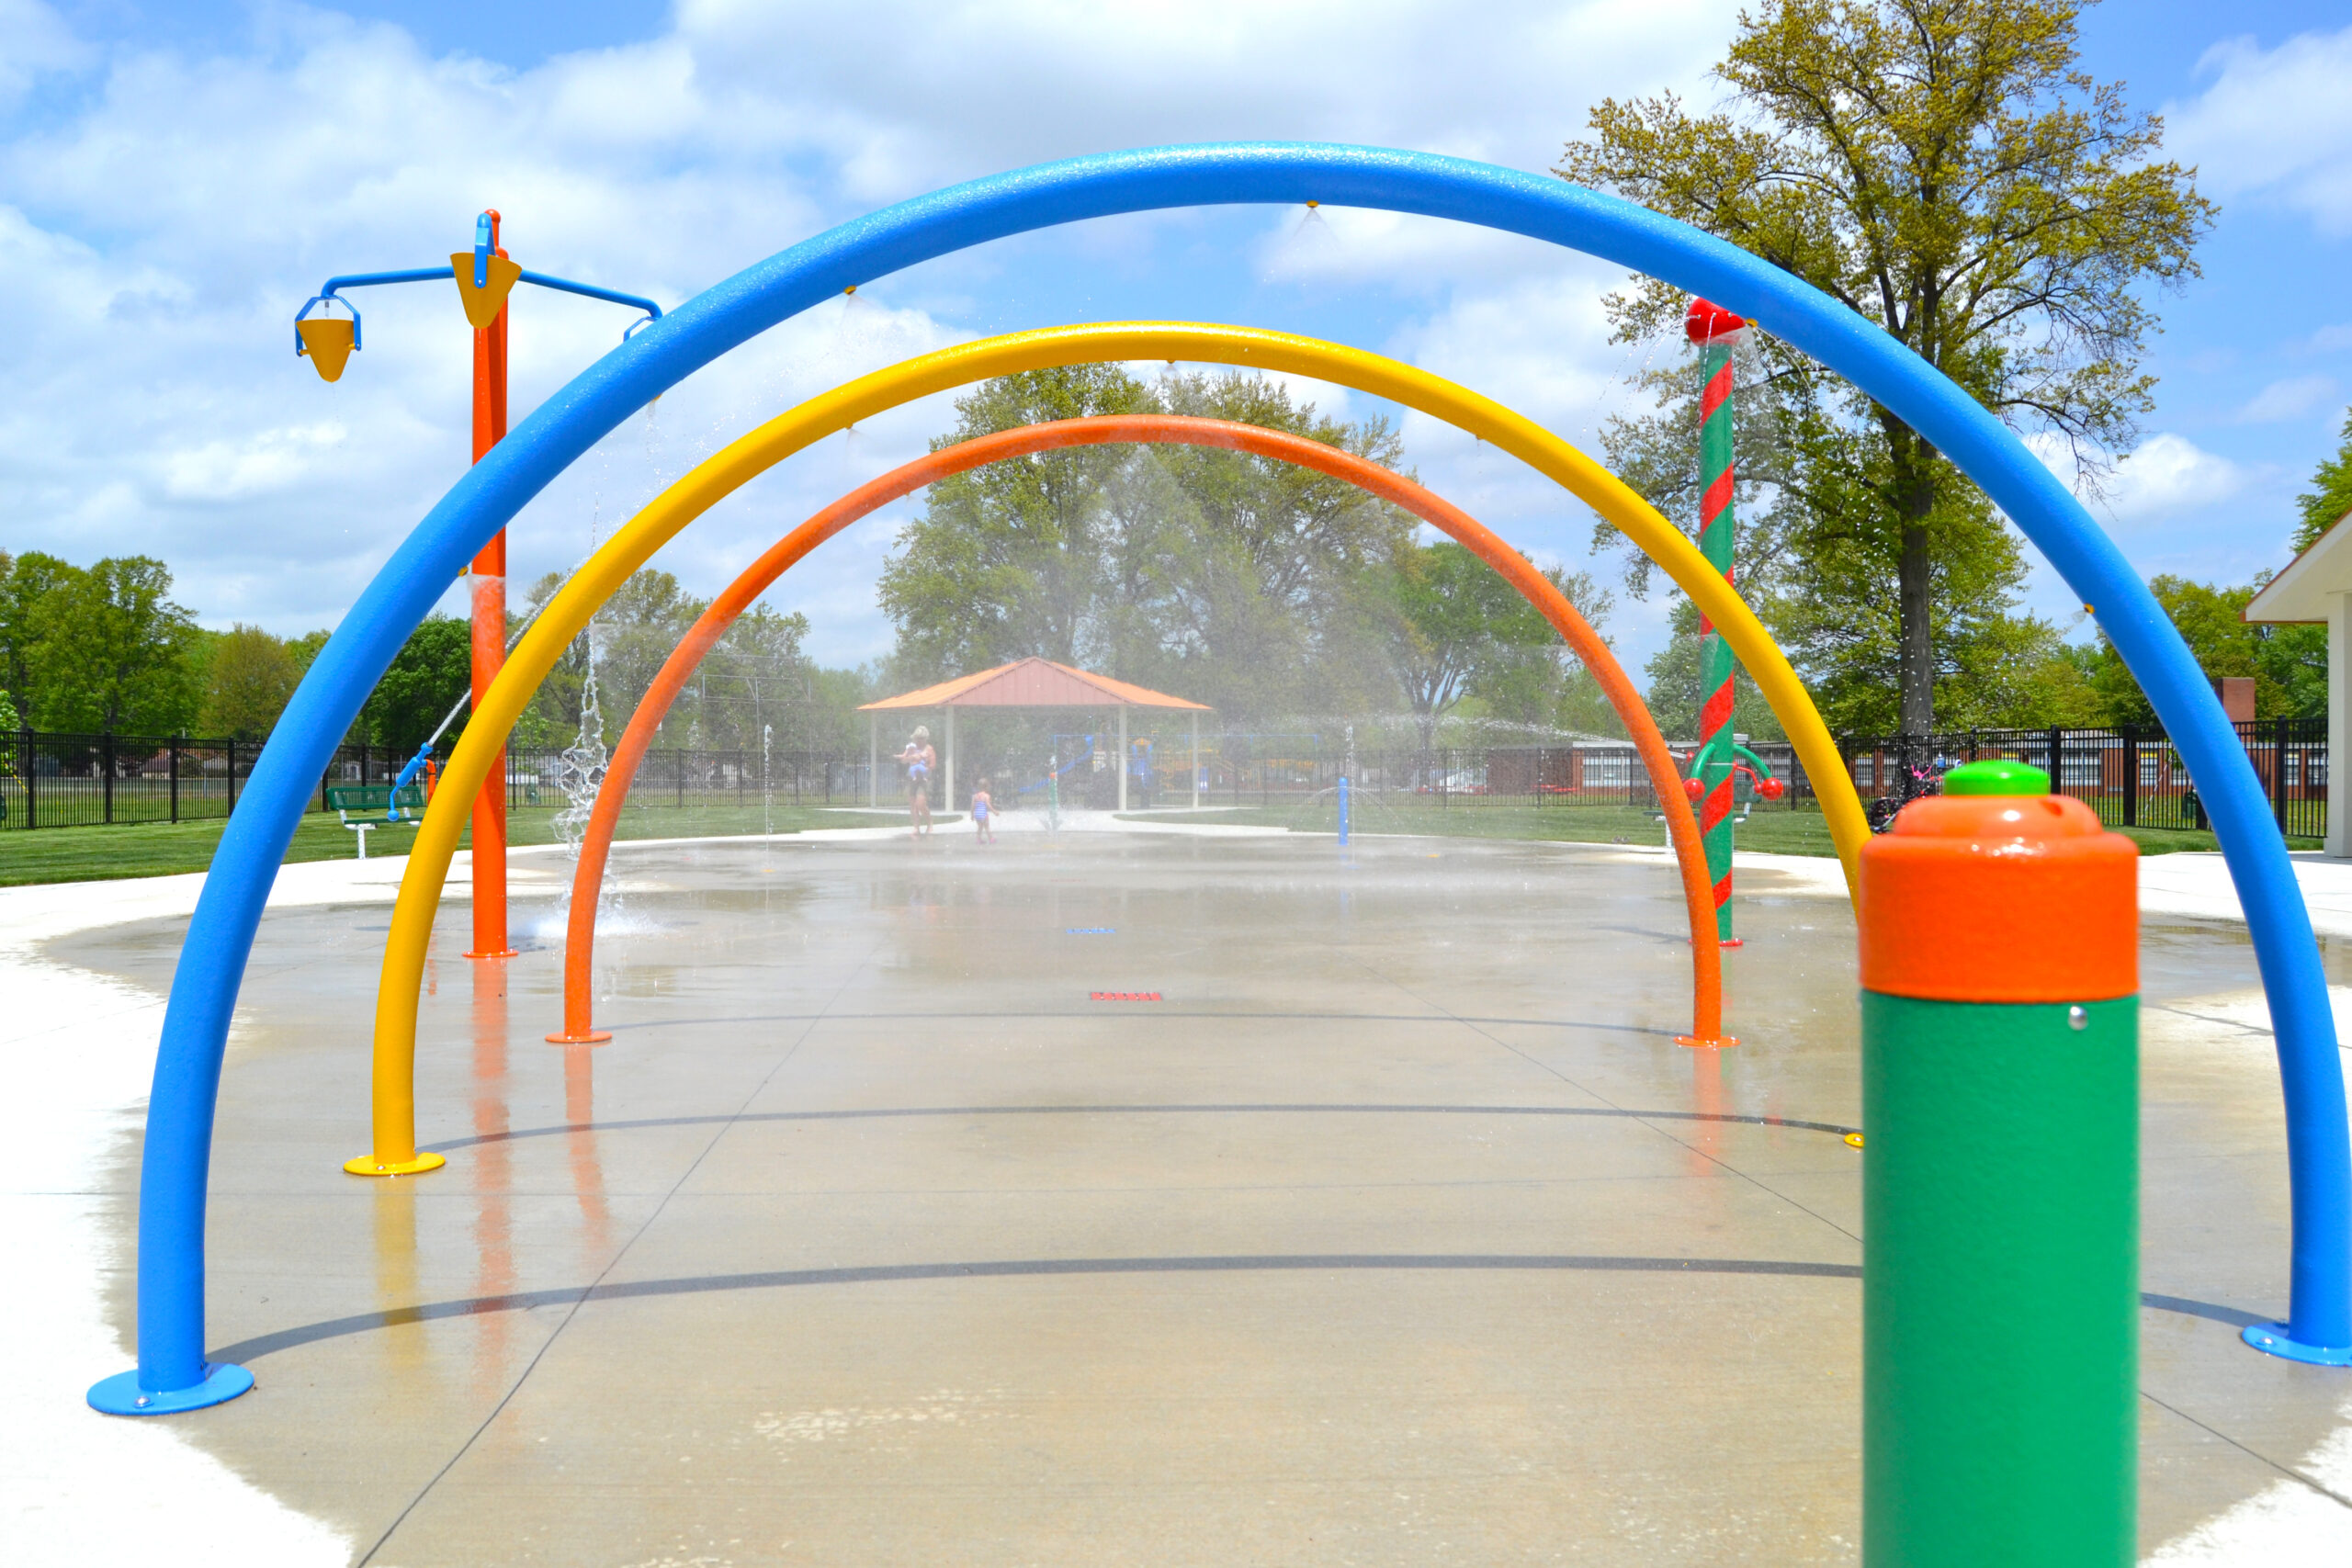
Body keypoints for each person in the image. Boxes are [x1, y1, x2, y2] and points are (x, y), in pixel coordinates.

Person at [893, 726, 935, 836]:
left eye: (921, 738)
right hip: (912, 778)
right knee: (912, 804)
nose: (918, 741)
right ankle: (916, 827)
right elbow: (903, 760)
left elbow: (932, 765)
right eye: (917, 738)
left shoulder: (929, 749)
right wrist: (911, 758)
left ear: (925, 739)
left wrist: (923, 762)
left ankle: (929, 822)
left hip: (924, 779)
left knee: (920, 803)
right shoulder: (911, 748)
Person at [970, 777, 995, 844]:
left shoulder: (975, 796)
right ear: (987, 787)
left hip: (977, 814)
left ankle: (978, 840)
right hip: (983, 814)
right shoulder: (986, 796)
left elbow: (972, 806)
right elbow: (988, 805)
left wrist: (972, 815)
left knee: (980, 827)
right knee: (987, 827)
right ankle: (991, 839)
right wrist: (994, 811)